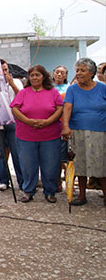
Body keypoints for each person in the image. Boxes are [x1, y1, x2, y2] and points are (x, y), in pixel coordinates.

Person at [10, 65, 63, 203]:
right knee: (28, 165)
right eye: (32, 75)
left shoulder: (53, 92)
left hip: (50, 135)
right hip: (26, 136)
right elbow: (15, 108)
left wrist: (48, 121)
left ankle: (50, 191)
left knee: (50, 165)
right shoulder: (23, 92)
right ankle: (28, 191)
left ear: (44, 76)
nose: (34, 78)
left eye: (37, 75)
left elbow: (60, 108)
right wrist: (27, 120)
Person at [61, 58, 106, 206]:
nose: (79, 73)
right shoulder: (72, 89)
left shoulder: (102, 88)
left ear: (92, 73)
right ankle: (81, 196)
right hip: (77, 131)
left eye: (82, 70)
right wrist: (65, 126)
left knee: (101, 163)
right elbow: (67, 108)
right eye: (77, 70)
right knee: (79, 162)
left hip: (100, 131)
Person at [0, 59, 24, 192]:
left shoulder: (17, 82)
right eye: (0, 70)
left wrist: (11, 83)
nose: (3, 72)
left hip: (13, 121)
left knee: (17, 151)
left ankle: (22, 181)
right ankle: (3, 180)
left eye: (5, 70)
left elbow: (22, 97)